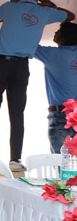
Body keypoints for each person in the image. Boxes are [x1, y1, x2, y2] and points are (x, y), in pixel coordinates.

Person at [0, 0, 74, 172]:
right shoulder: (45, 12)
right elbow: (70, 16)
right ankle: (15, 159)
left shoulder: (9, 8)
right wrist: (49, 4)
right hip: (21, 66)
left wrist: (13, 10)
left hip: (0, 63)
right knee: (17, 114)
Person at [34, 22, 77, 154]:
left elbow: (28, 45)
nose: (55, 33)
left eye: (59, 31)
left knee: (61, 163)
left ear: (64, 37)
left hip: (60, 116)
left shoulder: (52, 54)